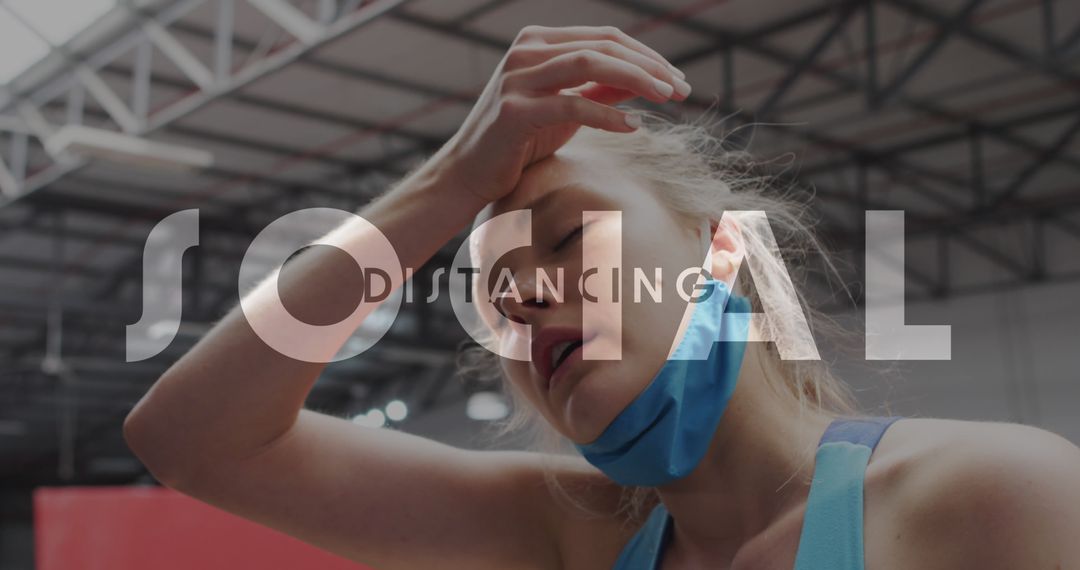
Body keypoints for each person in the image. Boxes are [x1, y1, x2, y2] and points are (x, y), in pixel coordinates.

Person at [123, 25, 1080, 569]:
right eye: (494, 298)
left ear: (722, 254)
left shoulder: (992, 497)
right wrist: (447, 185)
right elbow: (192, 440)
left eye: (570, 237)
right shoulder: (567, 534)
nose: (526, 297)